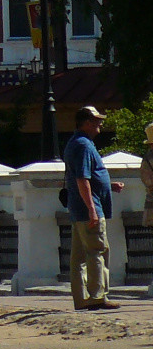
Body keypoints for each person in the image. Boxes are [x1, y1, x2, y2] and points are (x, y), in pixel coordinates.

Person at [64, 105, 123, 311]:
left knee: (79, 257)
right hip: (89, 208)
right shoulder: (84, 145)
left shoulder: (76, 142)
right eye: (97, 120)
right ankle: (97, 296)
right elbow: (82, 179)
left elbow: (83, 177)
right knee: (97, 251)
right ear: (87, 122)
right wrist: (92, 209)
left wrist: (108, 185)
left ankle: (81, 299)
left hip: (77, 208)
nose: (100, 124)